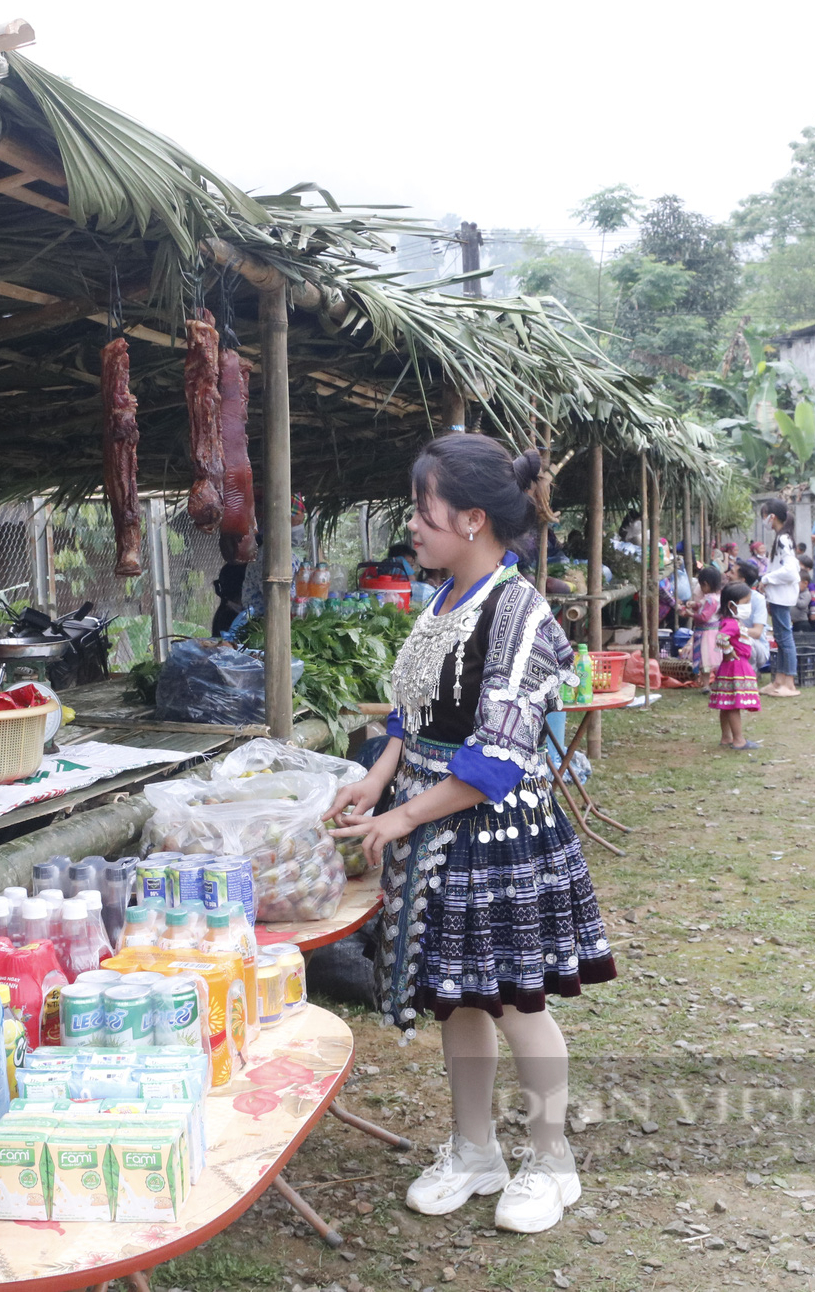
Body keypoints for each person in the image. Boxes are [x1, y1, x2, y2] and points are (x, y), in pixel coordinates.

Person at [327, 432, 613, 1234]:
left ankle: (552, 1160)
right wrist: (379, 777)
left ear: (474, 517)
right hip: (432, 819)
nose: (412, 526)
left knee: (518, 1001)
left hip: (494, 832)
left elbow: (495, 760)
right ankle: (475, 1146)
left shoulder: (517, 609)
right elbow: (412, 713)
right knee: (461, 1001)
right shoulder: (445, 596)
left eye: (424, 510)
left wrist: (402, 814)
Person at [707, 581, 762, 749]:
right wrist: (730, 651)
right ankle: (739, 740)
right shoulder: (732, 623)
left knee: (726, 703)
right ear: (732, 604)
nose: (748, 606)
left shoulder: (730, 621)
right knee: (734, 704)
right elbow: (721, 638)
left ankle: (726, 737)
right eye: (745, 603)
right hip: (736, 666)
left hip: (729, 666)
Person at [757, 499, 802, 697]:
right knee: (781, 637)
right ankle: (779, 681)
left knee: (785, 639)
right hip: (778, 596)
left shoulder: (783, 539)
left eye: (764, 517)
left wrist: (766, 578)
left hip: (782, 596)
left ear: (772, 517)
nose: (764, 521)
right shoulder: (782, 537)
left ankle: (789, 682)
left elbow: (791, 571)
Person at [735, 562, 774, 673]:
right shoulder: (726, 595)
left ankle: (750, 673)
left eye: (732, 572)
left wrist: (733, 630)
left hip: (756, 647)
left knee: (745, 640)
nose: (727, 574)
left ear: (742, 580)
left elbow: (757, 632)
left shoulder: (757, 599)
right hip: (732, 640)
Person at [691, 564, 723, 676]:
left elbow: (704, 617)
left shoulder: (711, 600)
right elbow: (701, 605)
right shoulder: (717, 597)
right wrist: (694, 605)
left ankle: (706, 684)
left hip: (707, 634)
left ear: (705, 584)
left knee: (706, 659)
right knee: (714, 658)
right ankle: (718, 682)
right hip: (714, 632)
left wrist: (691, 614)